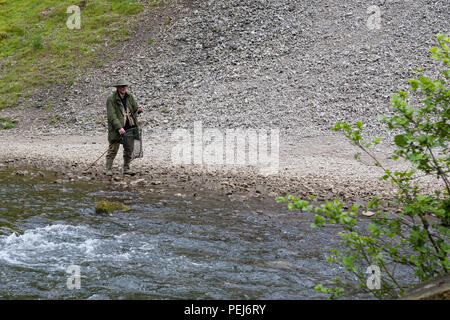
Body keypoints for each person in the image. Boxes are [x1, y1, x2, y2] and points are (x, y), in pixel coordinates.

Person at [105, 78, 143, 176]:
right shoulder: (111, 99)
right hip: (116, 129)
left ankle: (126, 168)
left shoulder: (129, 96)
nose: (123, 88)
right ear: (117, 87)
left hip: (130, 127)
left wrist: (138, 110)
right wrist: (119, 127)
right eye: (121, 86)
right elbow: (111, 116)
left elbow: (134, 108)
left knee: (129, 149)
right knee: (113, 149)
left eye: (125, 86)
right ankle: (108, 169)